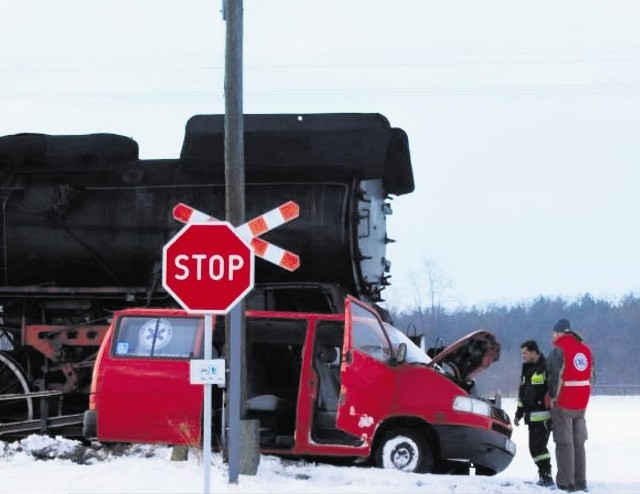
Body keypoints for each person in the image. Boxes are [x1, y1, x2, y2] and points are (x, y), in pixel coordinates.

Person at [547, 318, 594, 492]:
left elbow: (553, 377)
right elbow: (591, 376)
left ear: (560, 333)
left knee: (564, 442)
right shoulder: (586, 350)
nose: (552, 337)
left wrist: (552, 397)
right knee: (579, 442)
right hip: (581, 403)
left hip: (564, 402)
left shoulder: (559, 350)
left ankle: (567, 483)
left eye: (554, 334)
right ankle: (581, 481)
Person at [514, 339, 553, 487]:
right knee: (533, 448)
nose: (523, 356)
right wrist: (519, 413)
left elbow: (553, 390)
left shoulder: (545, 367)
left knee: (539, 447)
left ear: (533, 352)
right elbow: (522, 393)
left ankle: (546, 475)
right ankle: (543, 474)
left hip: (543, 417)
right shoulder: (526, 368)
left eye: (525, 353)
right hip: (531, 416)